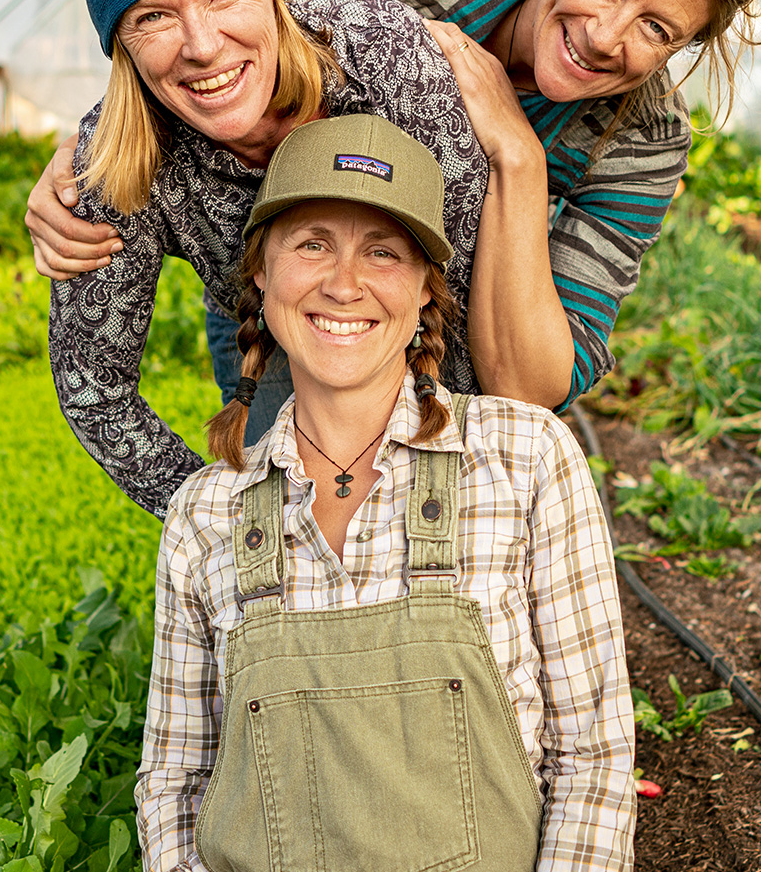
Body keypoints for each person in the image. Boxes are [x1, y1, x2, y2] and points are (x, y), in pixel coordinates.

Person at [31, 0, 761, 436]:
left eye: (657, 29)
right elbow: (252, 61)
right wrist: (86, 150)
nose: (606, 34)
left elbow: (527, 391)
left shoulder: (644, 141)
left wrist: (518, 158)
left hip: (459, 336)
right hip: (284, 293)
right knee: (281, 496)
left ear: (688, 42)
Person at [138, 113, 634, 872]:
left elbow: (593, 760)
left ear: (426, 293)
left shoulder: (524, 458)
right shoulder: (208, 512)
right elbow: (175, 783)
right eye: (311, 243)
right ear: (261, 275)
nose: (345, 283)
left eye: (384, 251)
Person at [48, 0, 489, 515]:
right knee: (283, 518)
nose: (202, 45)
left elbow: (459, 278)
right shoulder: (119, 162)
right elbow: (91, 384)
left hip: (418, 317)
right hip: (259, 320)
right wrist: (217, 519)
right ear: (122, 43)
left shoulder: (380, 55)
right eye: (153, 15)